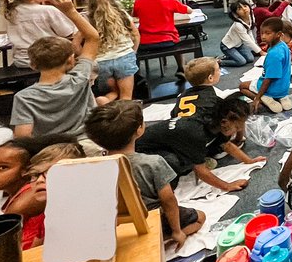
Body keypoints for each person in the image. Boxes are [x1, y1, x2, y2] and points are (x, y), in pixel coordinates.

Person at [85, 100, 205, 251]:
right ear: (139, 130)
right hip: (152, 219)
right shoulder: (152, 163)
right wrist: (176, 231)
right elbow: (168, 200)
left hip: (116, 224)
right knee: (201, 217)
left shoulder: (92, 166)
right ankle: (161, 239)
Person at [11, 0, 102, 148]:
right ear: (71, 60)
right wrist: (71, 11)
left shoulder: (24, 97)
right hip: (88, 145)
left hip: (51, 152)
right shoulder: (80, 78)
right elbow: (93, 38)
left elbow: (22, 138)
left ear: (33, 65)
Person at [137, 93, 263, 192]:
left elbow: (227, 145)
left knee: (205, 151)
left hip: (167, 143)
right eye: (236, 127)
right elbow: (200, 170)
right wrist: (227, 186)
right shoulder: (196, 132)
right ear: (225, 122)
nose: (239, 130)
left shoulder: (217, 121)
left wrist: (249, 161)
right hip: (142, 152)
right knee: (175, 162)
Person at [1, 0, 79, 68]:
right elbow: (67, 32)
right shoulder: (47, 10)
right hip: (47, 60)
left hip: (21, 60)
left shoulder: (11, 11)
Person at [132, 0, 192, 78]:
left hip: (145, 43)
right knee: (177, 41)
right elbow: (188, 11)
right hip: (168, 40)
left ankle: (137, 75)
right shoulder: (170, 1)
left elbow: (134, 15)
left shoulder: (138, 3)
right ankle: (181, 67)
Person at [88, 0, 140, 101]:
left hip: (101, 61)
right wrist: (133, 51)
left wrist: (88, 57)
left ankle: (105, 101)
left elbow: (75, 44)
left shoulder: (88, 19)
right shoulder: (122, 15)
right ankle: (124, 116)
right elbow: (135, 34)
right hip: (124, 57)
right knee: (126, 96)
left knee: (113, 92)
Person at [238, 17, 292, 113]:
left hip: (272, 88)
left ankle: (264, 99)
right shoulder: (283, 45)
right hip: (284, 87)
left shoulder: (274, 54)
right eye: (262, 33)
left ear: (279, 34)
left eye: (268, 33)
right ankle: (282, 97)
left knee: (242, 86)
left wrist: (258, 97)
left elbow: (269, 79)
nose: (263, 36)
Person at [172, 57, 225, 128]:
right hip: (198, 133)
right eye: (218, 69)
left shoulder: (182, 95)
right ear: (210, 78)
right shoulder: (212, 96)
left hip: (178, 129)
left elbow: (173, 114)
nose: (220, 71)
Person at [220, 0, 262, 67]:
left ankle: (231, 56)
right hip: (227, 46)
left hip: (239, 44)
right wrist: (260, 51)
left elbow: (250, 32)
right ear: (236, 14)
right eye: (240, 9)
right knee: (241, 62)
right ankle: (220, 61)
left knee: (250, 59)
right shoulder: (238, 25)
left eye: (245, 6)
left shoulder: (251, 17)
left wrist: (256, 47)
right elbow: (247, 40)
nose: (244, 9)